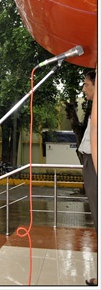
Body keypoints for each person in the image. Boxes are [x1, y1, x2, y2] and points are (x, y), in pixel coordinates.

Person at [76, 70, 97, 286]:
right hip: (90, 162)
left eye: (87, 84)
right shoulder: (94, 109)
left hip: (95, 164)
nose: (84, 88)